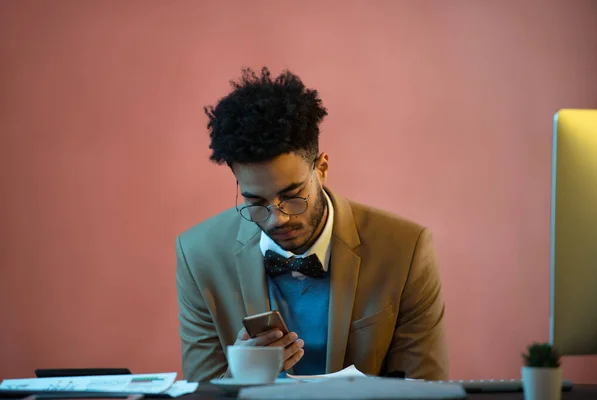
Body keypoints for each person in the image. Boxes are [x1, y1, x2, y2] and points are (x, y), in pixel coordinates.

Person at [176, 67, 449, 382]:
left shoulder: (406, 249)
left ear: (321, 169)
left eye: (292, 196)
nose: (278, 218)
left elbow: (425, 389)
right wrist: (240, 376)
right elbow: (200, 391)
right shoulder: (198, 255)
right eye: (256, 204)